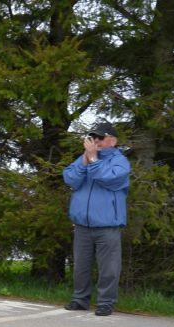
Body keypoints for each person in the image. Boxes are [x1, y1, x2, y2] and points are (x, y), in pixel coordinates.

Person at [62, 121, 130, 316]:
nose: (96, 141)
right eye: (93, 137)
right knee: (81, 267)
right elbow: (70, 179)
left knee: (109, 268)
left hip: (107, 225)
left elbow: (108, 178)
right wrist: (85, 161)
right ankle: (80, 300)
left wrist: (92, 159)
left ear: (112, 140)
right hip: (83, 225)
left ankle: (106, 302)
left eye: (100, 137)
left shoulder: (120, 161)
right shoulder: (86, 157)